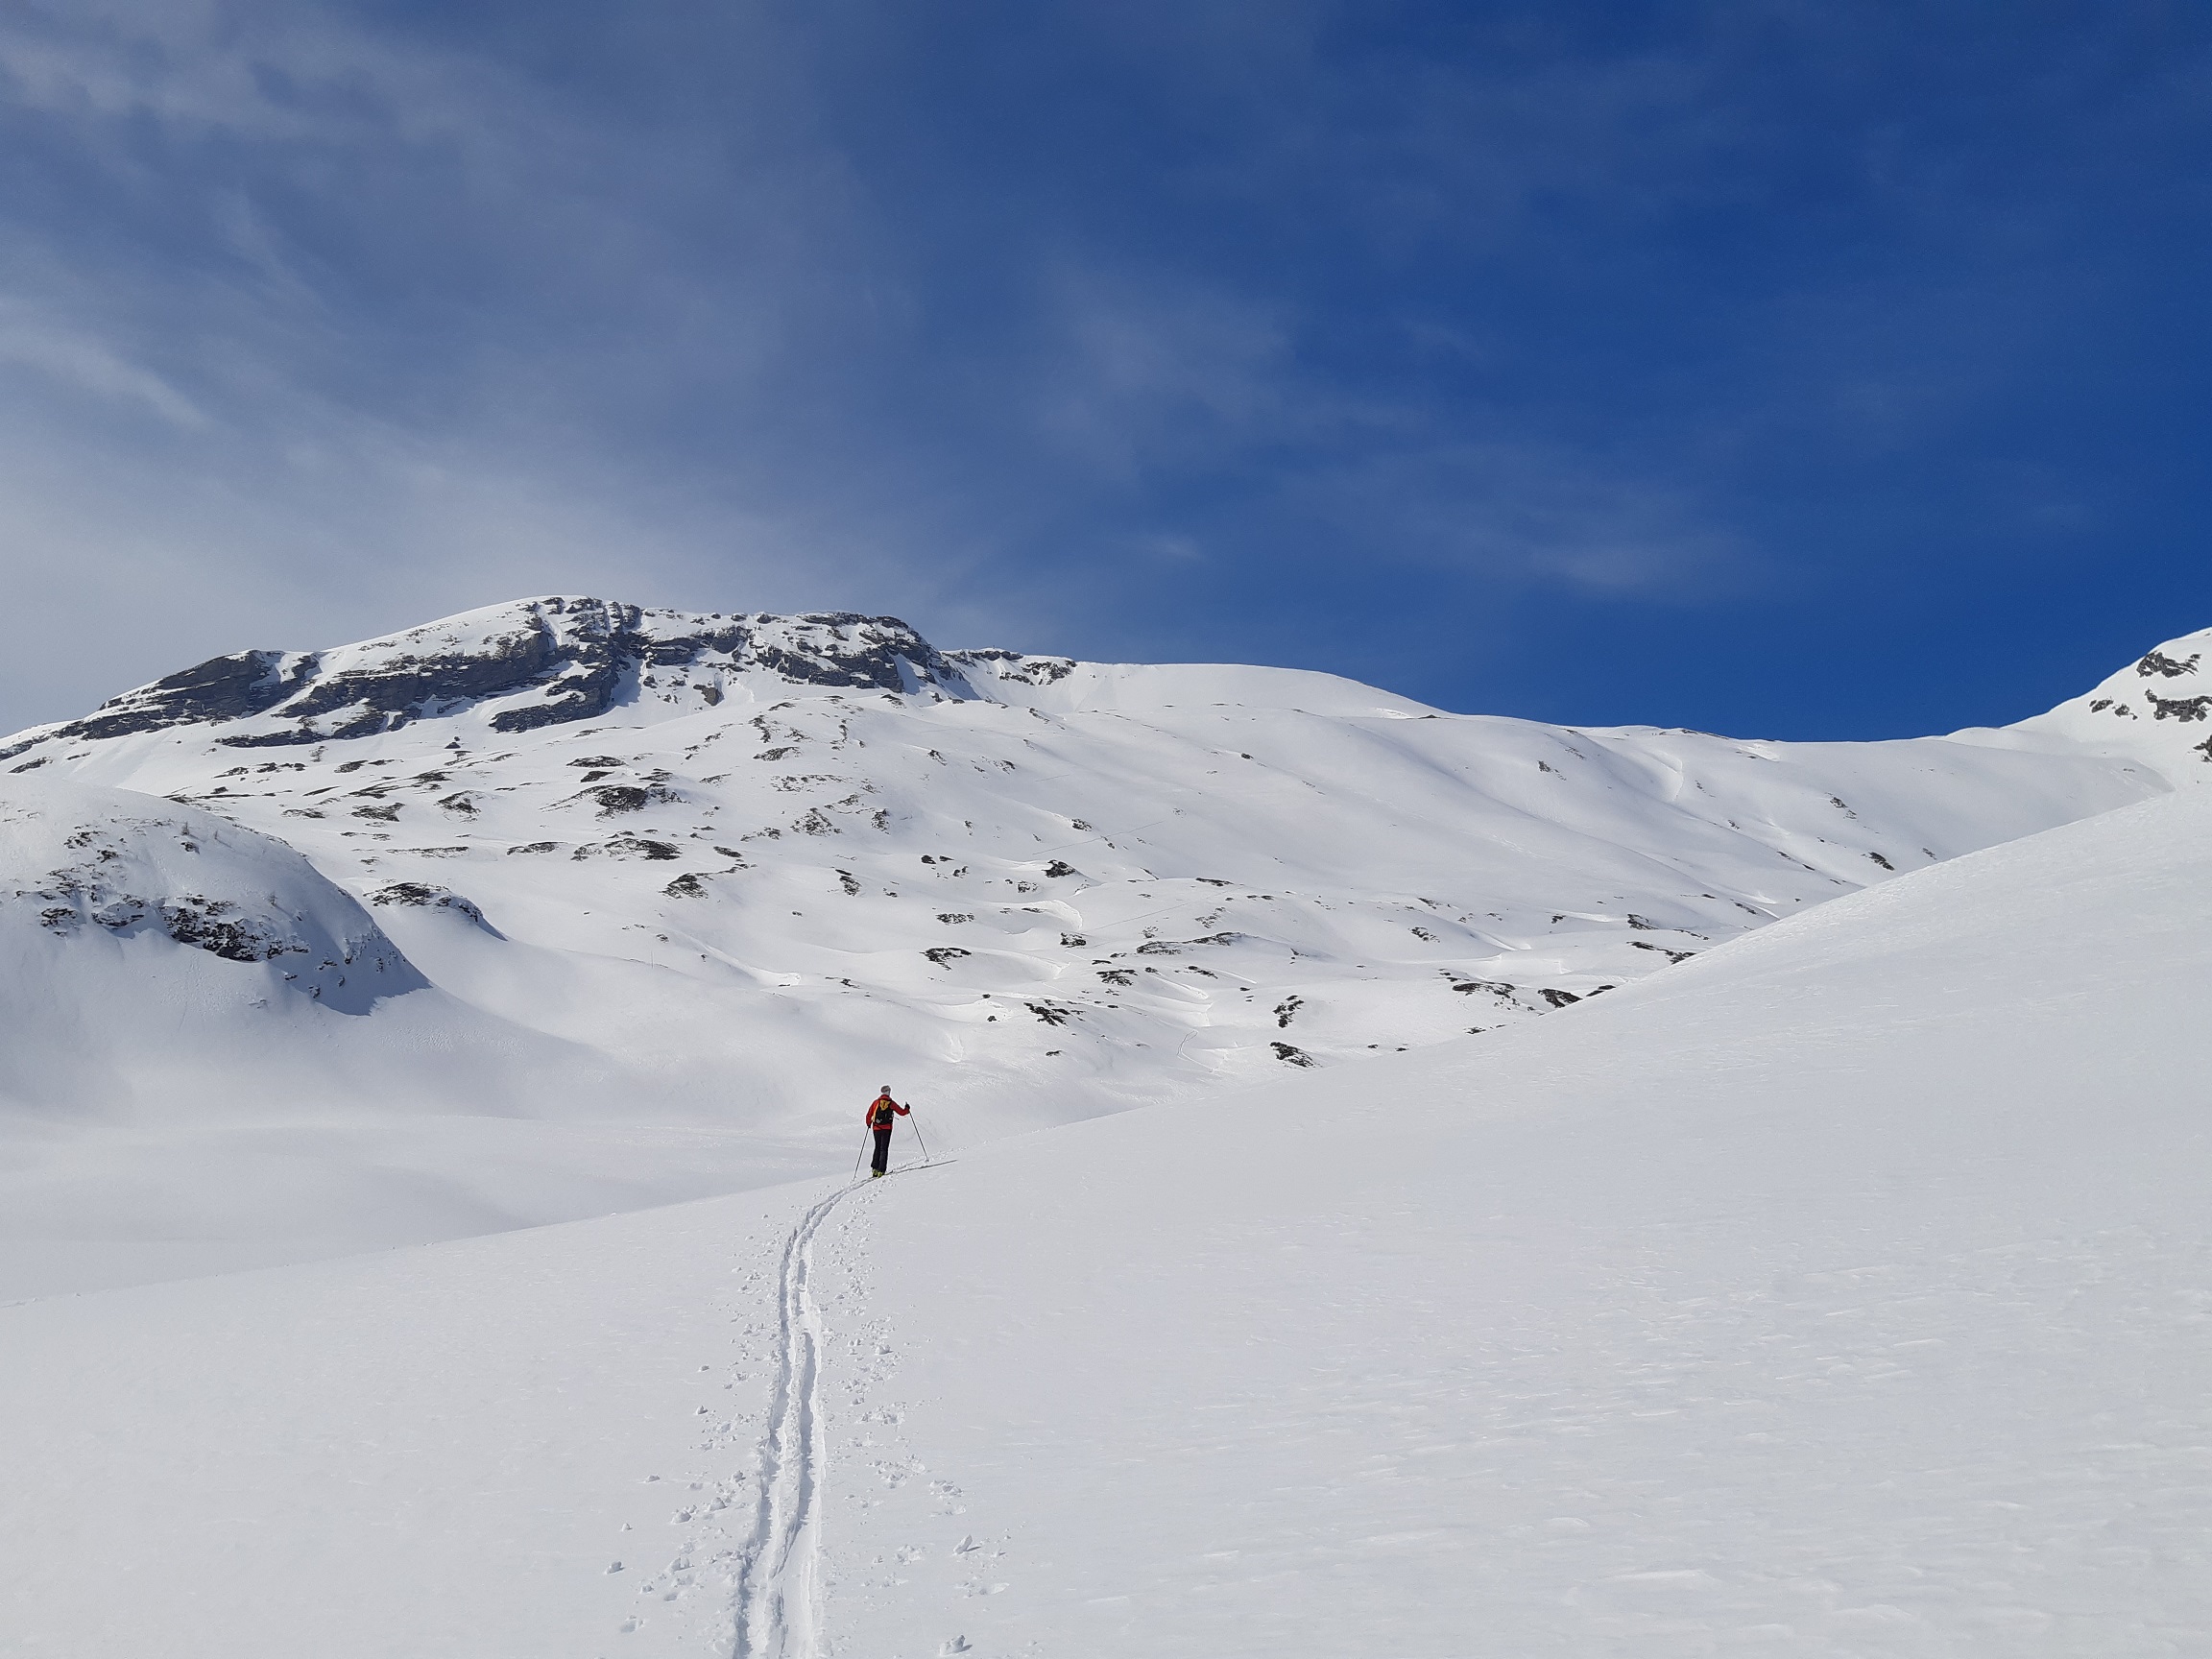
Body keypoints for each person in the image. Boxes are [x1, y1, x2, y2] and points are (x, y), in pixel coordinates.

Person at [864, 1086, 910, 1177]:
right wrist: (907, 1109)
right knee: (884, 1149)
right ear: (888, 1092)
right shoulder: (891, 1103)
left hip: (876, 1128)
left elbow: (869, 1114)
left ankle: (875, 1169)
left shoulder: (876, 1103)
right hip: (887, 1129)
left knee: (877, 1147)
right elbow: (901, 1112)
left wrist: (868, 1123)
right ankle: (881, 1170)